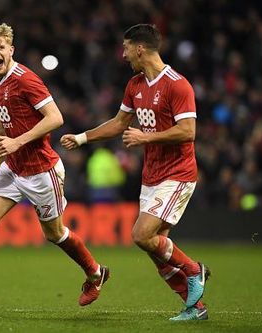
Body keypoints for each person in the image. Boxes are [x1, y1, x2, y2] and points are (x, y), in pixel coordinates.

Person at [0, 23, 109, 309]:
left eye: (1, 48)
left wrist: (17, 142)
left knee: (55, 234)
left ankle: (95, 274)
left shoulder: (26, 79)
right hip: (12, 166)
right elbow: (2, 117)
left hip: (41, 170)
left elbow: (55, 117)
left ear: (11, 50)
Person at [61, 24, 209, 321]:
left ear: (140, 48)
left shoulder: (177, 85)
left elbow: (188, 131)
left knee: (142, 235)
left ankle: (195, 270)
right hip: (152, 175)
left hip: (178, 173)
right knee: (157, 251)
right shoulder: (135, 85)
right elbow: (118, 123)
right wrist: (82, 138)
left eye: (126, 47)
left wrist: (145, 138)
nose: (123, 53)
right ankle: (195, 308)